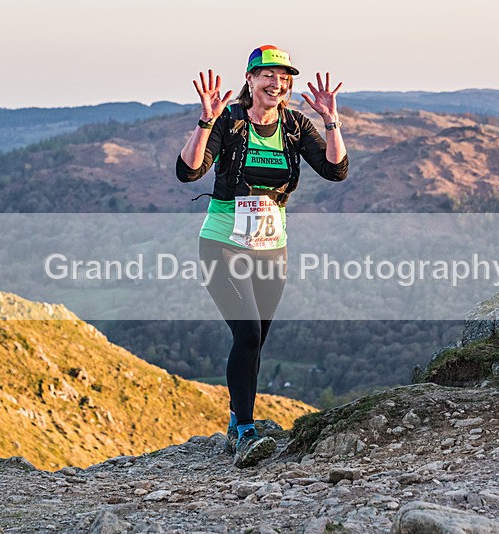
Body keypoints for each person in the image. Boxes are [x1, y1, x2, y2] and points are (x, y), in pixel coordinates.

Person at [176, 45, 348, 468]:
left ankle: (236, 420)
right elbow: (189, 171)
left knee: (254, 341)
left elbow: (335, 170)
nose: (277, 83)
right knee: (249, 333)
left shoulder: (295, 125)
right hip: (222, 243)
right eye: (268, 75)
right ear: (250, 79)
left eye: (283, 77)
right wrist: (205, 121)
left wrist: (331, 120)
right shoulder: (229, 122)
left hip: (272, 249)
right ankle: (247, 430)